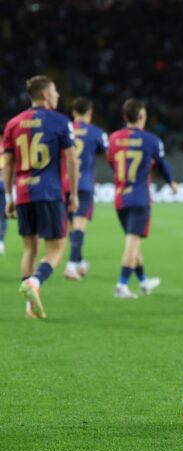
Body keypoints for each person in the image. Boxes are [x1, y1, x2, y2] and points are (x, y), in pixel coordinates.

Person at [2, 75, 79, 319]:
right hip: (50, 192)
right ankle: (35, 282)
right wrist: (74, 193)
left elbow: (8, 163)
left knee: (29, 249)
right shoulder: (59, 121)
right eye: (55, 91)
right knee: (56, 249)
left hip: (23, 192)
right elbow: (71, 160)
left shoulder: (13, 123)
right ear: (45, 96)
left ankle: (29, 307)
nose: (58, 95)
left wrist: (8, 196)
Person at [107, 98, 177, 298]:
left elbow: (112, 163)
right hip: (139, 198)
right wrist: (171, 182)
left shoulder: (113, 138)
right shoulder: (151, 140)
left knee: (133, 241)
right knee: (132, 242)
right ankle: (121, 285)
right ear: (141, 117)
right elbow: (162, 164)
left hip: (120, 197)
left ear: (124, 117)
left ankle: (144, 281)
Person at [63, 97, 109, 280]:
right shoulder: (97, 133)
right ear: (90, 113)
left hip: (64, 183)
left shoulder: (63, 129)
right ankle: (71, 265)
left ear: (73, 113)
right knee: (80, 224)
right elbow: (110, 155)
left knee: (72, 226)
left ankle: (79, 261)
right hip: (83, 183)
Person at [0, 140, 7, 256]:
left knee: (3, 216)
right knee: (3, 216)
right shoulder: (4, 147)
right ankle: (1, 241)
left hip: (3, 186)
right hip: (4, 186)